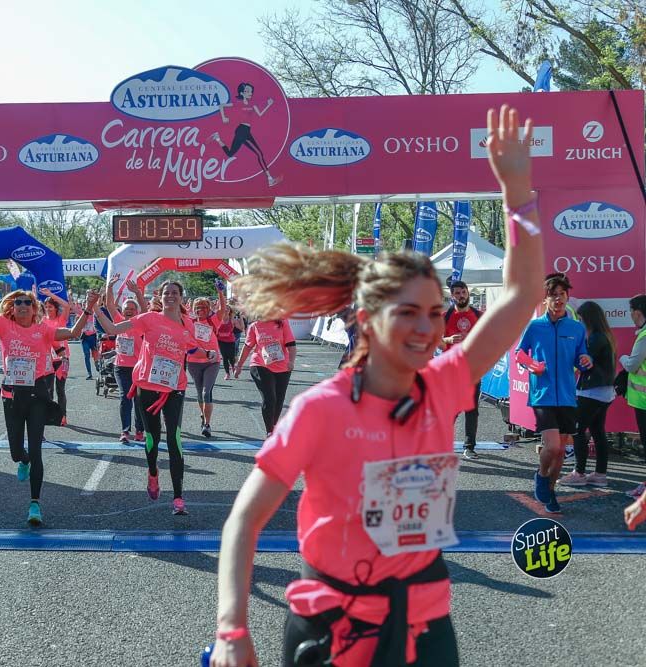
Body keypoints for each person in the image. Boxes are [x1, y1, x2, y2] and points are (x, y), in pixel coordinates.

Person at [208, 105, 544, 667]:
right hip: (334, 630)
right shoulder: (320, 409)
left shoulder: (445, 383)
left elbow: (519, 295)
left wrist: (518, 193)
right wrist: (231, 630)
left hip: (426, 626)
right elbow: (245, 517)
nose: (427, 328)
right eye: (408, 312)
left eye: (435, 313)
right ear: (366, 319)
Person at [0, 251, 90, 526]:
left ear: (34, 309)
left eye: (27, 303)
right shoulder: (4, 327)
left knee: (36, 449)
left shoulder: (43, 330)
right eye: (18, 303)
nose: (22, 306)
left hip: (37, 396)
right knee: (15, 452)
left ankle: (35, 504)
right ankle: (21, 460)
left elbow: (73, 334)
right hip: (11, 396)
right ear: (12, 309)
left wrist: (88, 309)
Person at [93, 280, 201, 516]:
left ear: (182, 297)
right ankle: (153, 471)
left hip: (174, 387)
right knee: (153, 438)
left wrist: (210, 354)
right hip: (147, 385)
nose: (170, 296)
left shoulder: (188, 324)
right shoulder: (149, 319)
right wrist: (95, 309)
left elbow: (192, 349)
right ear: (160, 297)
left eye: (175, 293)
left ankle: (178, 497)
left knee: (174, 438)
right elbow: (113, 329)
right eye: (166, 293)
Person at [515, 272, 592, 514]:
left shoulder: (576, 328)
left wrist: (586, 360)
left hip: (568, 396)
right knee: (552, 448)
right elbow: (520, 353)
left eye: (562, 294)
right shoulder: (535, 326)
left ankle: (550, 491)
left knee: (561, 452)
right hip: (543, 394)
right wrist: (532, 365)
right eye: (553, 295)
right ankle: (541, 476)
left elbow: (583, 358)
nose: (558, 299)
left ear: (568, 297)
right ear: (545, 299)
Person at [559, 300, 616, 487]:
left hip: (592, 392)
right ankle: (600, 474)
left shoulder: (595, 339)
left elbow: (583, 363)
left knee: (577, 430)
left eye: (581, 320)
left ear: (588, 320)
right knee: (597, 432)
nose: (580, 323)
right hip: (603, 392)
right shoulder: (602, 336)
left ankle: (579, 473)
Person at [441, 280, 484, 459]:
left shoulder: (479, 315)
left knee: (472, 409)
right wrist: (448, 340)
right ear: (452, 296)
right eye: (457, 293)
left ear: (468, 293)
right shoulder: (445, 316)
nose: (461, 296)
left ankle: (469, 446)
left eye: (463, 292)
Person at [234, 317, 297, 438]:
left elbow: (291, 345)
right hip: (260, 364)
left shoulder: (282, 323)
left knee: (279, 399)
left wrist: (291, 361)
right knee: (270, 398)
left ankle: (273, 426)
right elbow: (247, 347)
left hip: (283, 366)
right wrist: (239, 365)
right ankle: (270, 431)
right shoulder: (254, 326)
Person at [104, 275, 148, 443]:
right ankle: (125, 431)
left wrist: (137, 293)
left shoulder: (141, 322)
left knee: (138, 399)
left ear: (136, 312)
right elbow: (109, 305)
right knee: (125, 397)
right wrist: (110, 287)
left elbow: (145, 309)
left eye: (132, 308)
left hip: (138, 367)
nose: (129, 310)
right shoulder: (119, 321)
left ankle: (139, 430)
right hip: (121, 366)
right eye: (126, 308)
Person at [188, 287, 229, 438]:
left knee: (207, 392)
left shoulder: (213, 320)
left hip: (212, 361)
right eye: (198, 308)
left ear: (209, 308)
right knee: (199, 393)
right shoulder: (189, 322)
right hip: (193, 361)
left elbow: (223, 308)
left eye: (204, 307)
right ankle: (202, 414)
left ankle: (207, 424)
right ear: (194, 309)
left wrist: (220, 293)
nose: (201, 310)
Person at [621, 293, 646, 500]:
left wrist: (621, 357)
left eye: (630, 310)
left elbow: (632, 364)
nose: (629, 314)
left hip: (644, 402)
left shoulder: (644, 336)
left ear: (638, 312)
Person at [41, 288, 72, 427]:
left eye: (50, 307)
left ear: (55, 308)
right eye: (46, 307)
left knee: (60, 389)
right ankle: (49, 415)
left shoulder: (61, 319)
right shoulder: (41, 321)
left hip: (62, 357)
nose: (48, 309)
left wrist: (50, 294)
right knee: (48, 390)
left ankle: (62, 416)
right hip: (47, 358)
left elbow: (66, 306)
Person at [216, 304, 246, 380]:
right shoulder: (218, 319)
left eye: (228, 309)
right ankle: (227, 374)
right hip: (221, 341)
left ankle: (233, 368)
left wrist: (241, 318)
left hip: (230, 341)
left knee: (231, 357)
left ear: (230, 311)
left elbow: (242, 328)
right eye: (225, 308)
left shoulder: (232, 319)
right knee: (224, 357)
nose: (226, 310)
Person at [79, 303, 100, 380]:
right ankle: (89, 373)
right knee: (86, 355)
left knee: (95, 355)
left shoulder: (95, 314)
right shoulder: (82, 315)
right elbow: (73, 308)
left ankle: (97, 365)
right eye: (85, 306)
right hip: (85, 338)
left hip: (93, 337)